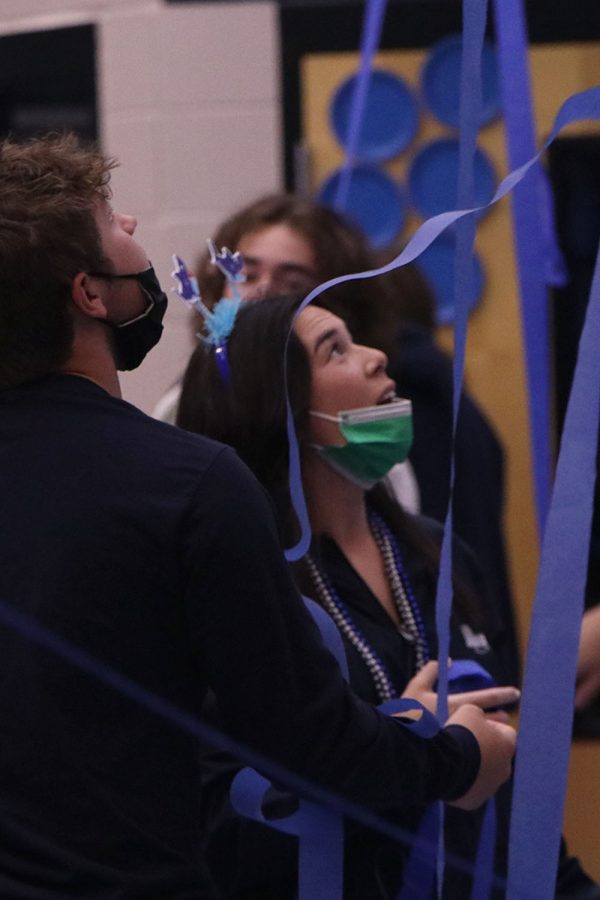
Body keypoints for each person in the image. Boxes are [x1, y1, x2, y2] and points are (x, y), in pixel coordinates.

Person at [0, 134, 517, 898]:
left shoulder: (427, 545)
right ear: (89, 292)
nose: (135, 225)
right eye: (111, 218)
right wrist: (454, 758)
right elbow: (303, 738)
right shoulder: (189, 483)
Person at [177, 293, 600, 900]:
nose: (377, 357)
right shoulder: (248, 585)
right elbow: (226, 830)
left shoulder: (439, 553)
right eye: (336, 350)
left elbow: (506, 775)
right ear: (282, 410)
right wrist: (406, 755)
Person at [158, 193, 520, 685]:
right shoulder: (241, 578)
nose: (261, 294)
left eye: (293, 283)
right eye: (245, 275)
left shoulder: (436, 547)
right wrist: (414, 745)